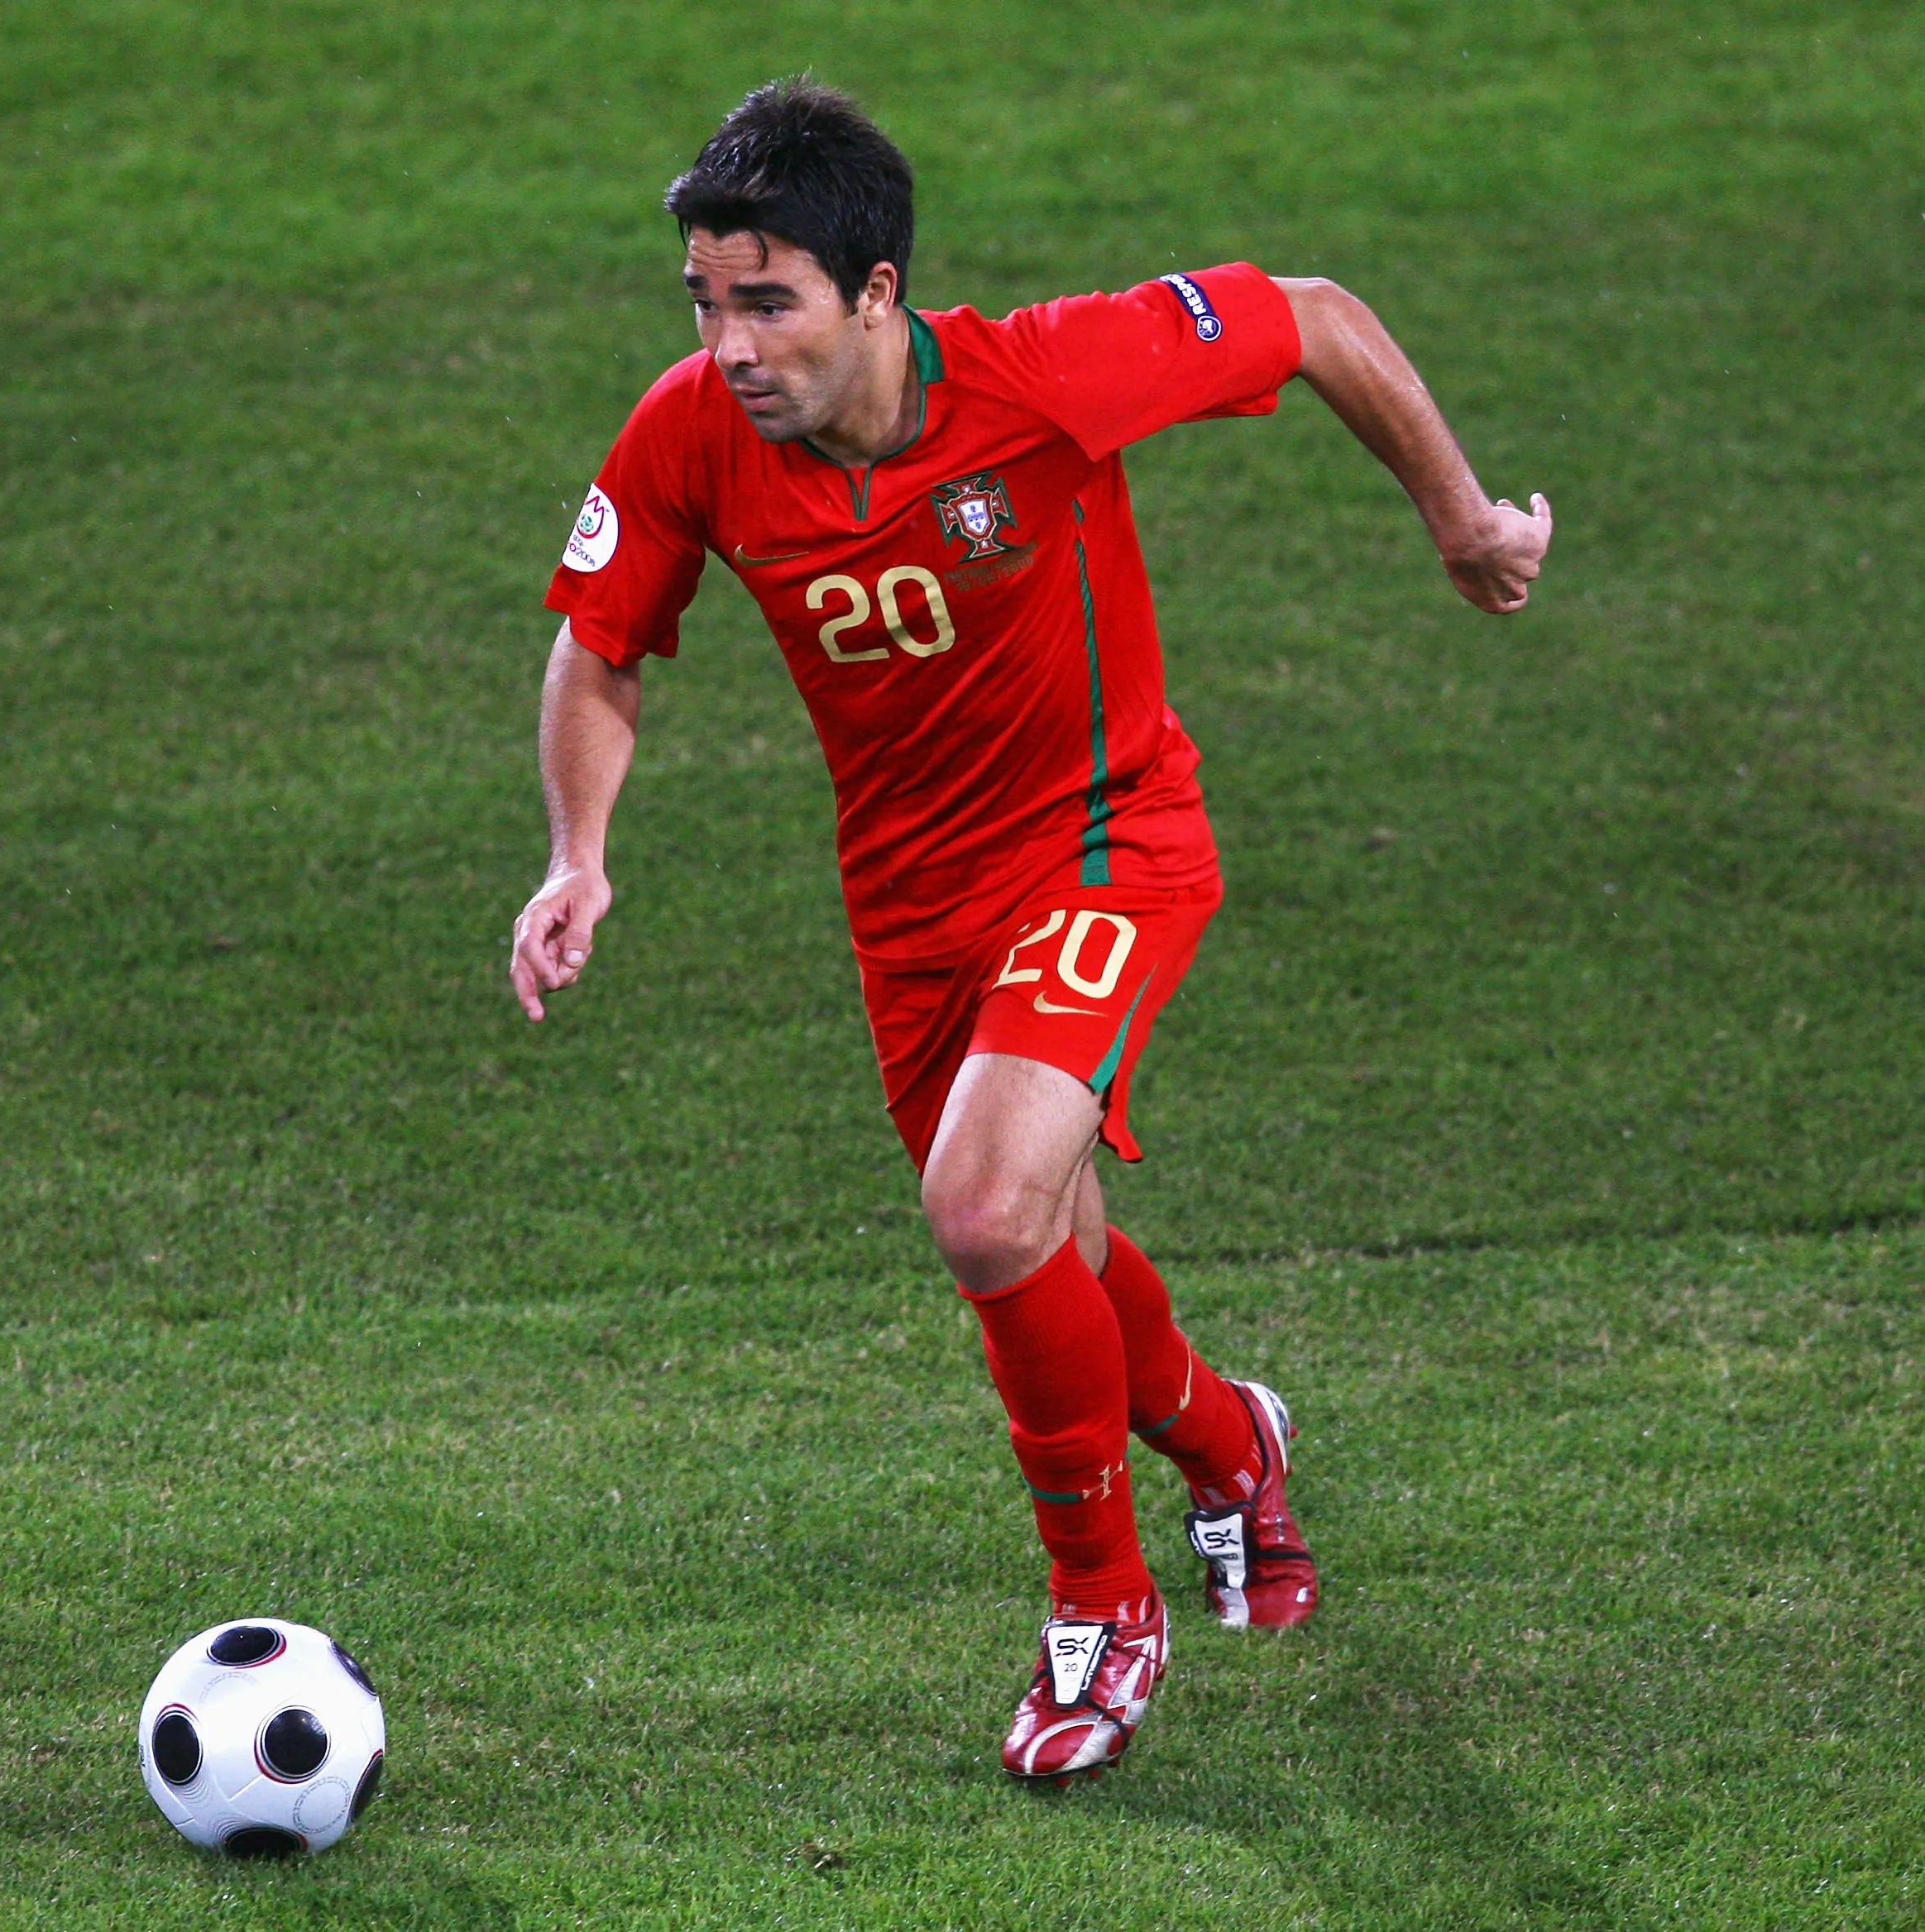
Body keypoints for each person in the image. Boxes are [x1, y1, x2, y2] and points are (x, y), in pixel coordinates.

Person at [510, 78, 1551, 1781]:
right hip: (911, 910)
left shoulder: (1042, 378)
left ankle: (1101, 1608)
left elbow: (1311, 320)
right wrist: (580, 856)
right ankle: (1234, 1449)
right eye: (704, 300)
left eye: (766, 300)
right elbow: (601, 642)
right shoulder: (690, 431)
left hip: (1105, 843)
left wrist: (1460, 518)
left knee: (984, 1208)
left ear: (876, 292)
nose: (732, 343)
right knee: (1042, 1249)